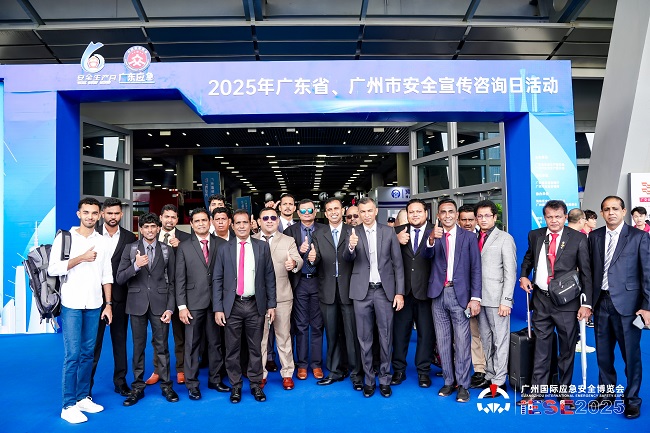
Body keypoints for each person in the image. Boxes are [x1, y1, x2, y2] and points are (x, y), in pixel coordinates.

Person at [518, 200, 592, 408]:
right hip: (541, 300)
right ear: (544, 217)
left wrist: (586, 304)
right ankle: (537, 391)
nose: (554, 221)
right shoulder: (535, 235)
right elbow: (529, 258)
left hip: (567, 303)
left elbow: (586, 273)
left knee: (567, 349)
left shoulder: (577, 238)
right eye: (549, 217)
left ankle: (563, 391)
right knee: (541, 347)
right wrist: (524, 275)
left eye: (558, 216)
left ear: (565, 217)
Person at [49, 197, 114, 424]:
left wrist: (108, 304)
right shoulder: (64, 237)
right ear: (79, 214)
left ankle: (82, 397)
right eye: (86, 212)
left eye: (94, 213)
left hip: (95, 304)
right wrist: (81, 258)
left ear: (99, 215)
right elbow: (53, 268)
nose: (90, 216)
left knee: (88, 354)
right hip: (72, 304)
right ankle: (68, 406)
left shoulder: (102, 241)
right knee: (73, 355)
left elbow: (107, 274)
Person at [588, 196, 650, 419]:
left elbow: (647, 273)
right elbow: (590, 271)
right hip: (601, 303)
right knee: (603, 355)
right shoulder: (594, 236)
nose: (611, 212)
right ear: (602, 213)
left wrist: (647, 306)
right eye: (606, 209)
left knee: (631, 356)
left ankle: (632, 399)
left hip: (629, 306)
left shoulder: (639, 237)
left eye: (615, 208)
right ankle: (606, 395)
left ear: (624, 211)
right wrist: (588, 303)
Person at [213, 210, 277, 403]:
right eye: (238, 223)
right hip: (232, 306)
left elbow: (269, 277)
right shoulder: (224, 249)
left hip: (255, 305)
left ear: (251, 224)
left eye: (245, 222)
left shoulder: (262, 247)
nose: (241, 226)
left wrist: (271, 305)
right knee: (232, 349)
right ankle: (235, 386)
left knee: (255, 348)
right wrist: (218, 308)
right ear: (232, 226)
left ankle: (256, 385)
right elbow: (217, 279)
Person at [344, 197, 405, 398]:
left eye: (369, 211)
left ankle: (385, 379)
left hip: (384, 292)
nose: (366, 215)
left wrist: (399, 292)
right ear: (359, 214)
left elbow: (398, 264)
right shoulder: (352, 232)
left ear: (376, 211)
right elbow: (347, 258)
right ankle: (369, 380)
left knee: (385, 337)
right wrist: (351, 247)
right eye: (362, 212)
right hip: (361, 292)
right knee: (364, 339)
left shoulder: (388, 232)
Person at [116, 213, 178, 406]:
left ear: (158, 228)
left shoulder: (167, 250)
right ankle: (137, 387)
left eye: (153, 226)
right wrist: (135, 266)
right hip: (137, 304)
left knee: (162, 347)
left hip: (161, 304)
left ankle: (167, 386)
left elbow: (173, 282)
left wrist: (170, 308)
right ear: (140, 230)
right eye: (146, 227)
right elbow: (120, 278)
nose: (150, 230)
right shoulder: (130, 249)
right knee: (138, 347)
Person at [423, 198, 482, 403]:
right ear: (438, 216)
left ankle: (463, 385)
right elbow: (426, 256)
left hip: (461, 296)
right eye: (443, 212)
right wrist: (431, 238)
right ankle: (449, 381)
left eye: (450, 212)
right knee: (443, 341)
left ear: (456, 215)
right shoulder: (433, 235)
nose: (447, 215)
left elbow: (476, 268)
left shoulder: (469, 237)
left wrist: (475, 298)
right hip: (438, 294)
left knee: (463, 342)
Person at [175, 208, 230, 401]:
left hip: (216, 303)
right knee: (192, 344)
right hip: (192, 304)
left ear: (210, 222)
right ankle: (192, 384)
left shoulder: (222, 244)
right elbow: (179, 279)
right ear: (191, 224)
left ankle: (215, 379)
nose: (201, 224)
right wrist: (182, 306)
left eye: (204, 220)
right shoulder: (184, 247)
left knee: (216, 343)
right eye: (197, 221)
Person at [312, 198, 363, 391]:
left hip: (349, 289)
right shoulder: (318, 234)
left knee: (352, 334)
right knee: (332, 334)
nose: (333, 212)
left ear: (342, 211)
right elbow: (315, 259)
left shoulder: (354, 231)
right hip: (327, 291)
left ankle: (356, 373)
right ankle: (335, 371)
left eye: (336, 208)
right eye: (329, 209)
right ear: (325, 213)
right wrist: (311, 258)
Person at [252, 207, 303, 390]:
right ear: (259, 221)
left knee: (283, 337)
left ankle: (287, 373)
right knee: (260, 339)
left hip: (282, 296)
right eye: (265, 218)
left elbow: (298, 260)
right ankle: (260, 374)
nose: (269, 221)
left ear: (277, 221)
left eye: (273, 218)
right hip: (258, 299)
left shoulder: (288, 240)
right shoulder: (251, 240)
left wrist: (293, 263)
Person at [91, 198, 137, 397]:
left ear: (121, 214)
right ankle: (86, 386)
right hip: (94, 298)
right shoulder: (92, 235)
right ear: (102, 214)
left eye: (116, 213)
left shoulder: (129, 237)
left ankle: (120, 381)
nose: (113, 216)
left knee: (120, 342)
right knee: (93, 344)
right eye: (109, 213)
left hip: (120, 297)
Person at [391, 199, 435, 388]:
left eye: (418, 211)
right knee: (400, 334)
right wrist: (395, 240)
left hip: (427, 292)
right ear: (407, 214)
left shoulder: (436, 231)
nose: (415, 215)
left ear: (426, 213)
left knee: (426, 334)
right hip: (403, 292)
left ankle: (423, 372)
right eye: (411, 212)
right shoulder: (397, 232)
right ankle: (398, 370)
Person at [474, 200, 516, 396]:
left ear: (495, 217)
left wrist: (506, 300)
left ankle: (500, 380)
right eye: (480, 216)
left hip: (498, 299)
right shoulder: (474, 237)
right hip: (479, 298)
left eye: (487, 216)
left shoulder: (505, 238)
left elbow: (510, 272)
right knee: (486, 339)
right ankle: (490, 375)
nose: (483, 219)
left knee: (500, 340)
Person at [146, 204, 191, 386]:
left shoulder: (186, 238)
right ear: (161, 218)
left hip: (180, 292)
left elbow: (191, 263)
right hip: (158, 294)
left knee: (181, 335)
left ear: (177, 220)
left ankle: (181, 369)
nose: (170, 220)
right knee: (158, 336)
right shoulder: (151, 235)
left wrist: (180, 248)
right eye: (167, 216)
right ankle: (158, 370)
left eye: (173, 217)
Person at [284, 199, 326, 380]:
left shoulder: (324, 230)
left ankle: (316, 364)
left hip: (319, 281)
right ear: (298, 213)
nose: (307, 213)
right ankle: (302, 364)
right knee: (300, 325)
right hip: (299, 282)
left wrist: (317, 256)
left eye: (310, 210)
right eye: (303, 210)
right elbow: (285, 258)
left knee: (317, 325)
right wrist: (300, 253)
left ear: (315, 212)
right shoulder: (290, 232)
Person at [457, 204, 487, 389]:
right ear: (458, 220)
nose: (467, 223)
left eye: (471, 219)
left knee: (476, 333)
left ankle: (479, 369)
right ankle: (456, 367)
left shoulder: (482, 238)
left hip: (478, 295)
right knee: (457, 335)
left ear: (476, 220)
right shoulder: (452, 237)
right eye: (464, 220)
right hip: (456, 295)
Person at [567, 208, 595, 353]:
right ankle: (577, 341)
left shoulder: (563, 235)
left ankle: (575, 341)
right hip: (575, 282)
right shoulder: (580, 237)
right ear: (581, 220)